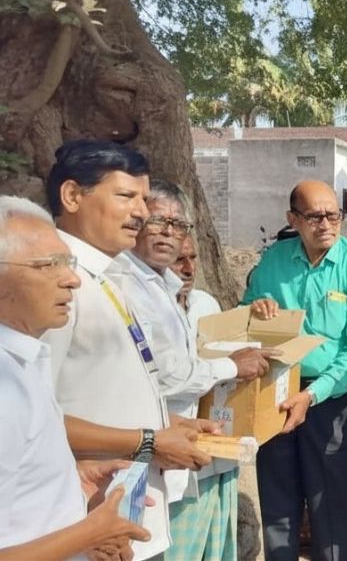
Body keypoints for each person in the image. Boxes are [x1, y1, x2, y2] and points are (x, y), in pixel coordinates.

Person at [41, 139, 214, 560]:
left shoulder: (108, 276)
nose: (141, 212)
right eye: (126, 196)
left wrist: (167, 423)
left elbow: (102, 389)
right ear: (72, 196)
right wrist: (150, 441)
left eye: (143, 198)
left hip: (127, 513)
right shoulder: (55, 283)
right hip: (84, 519)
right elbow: (34, 418)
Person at [125, 179, 276, 560]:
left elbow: (238, 347)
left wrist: (256, 316)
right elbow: (164, 374)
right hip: (154, 453)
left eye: (179, 227)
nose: (187, 268)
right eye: (159, 223)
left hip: (208, 448)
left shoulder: (203, 303)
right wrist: (228, 366)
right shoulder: (127, 288)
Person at [0, 195, 152, 560]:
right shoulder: (5, 386)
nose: (72, 280)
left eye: (68, 263)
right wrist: (91, 532)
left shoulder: (26, 361)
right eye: (49, 265)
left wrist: (70, 482)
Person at [243, 180, 347, 561]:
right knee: (278, 499)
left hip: (333, 398)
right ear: (293, 219)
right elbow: (244, 317)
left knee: (335, 503)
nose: (326, 224)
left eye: (333, 215)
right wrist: (255, 310)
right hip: (276, 391)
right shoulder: (274, 261)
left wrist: (312, 394)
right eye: (315, 216)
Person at [172, 236, 223, 330]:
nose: (189, 269)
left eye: (192, 258)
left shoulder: (206, 303)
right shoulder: (152, 310)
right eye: (179, 259)